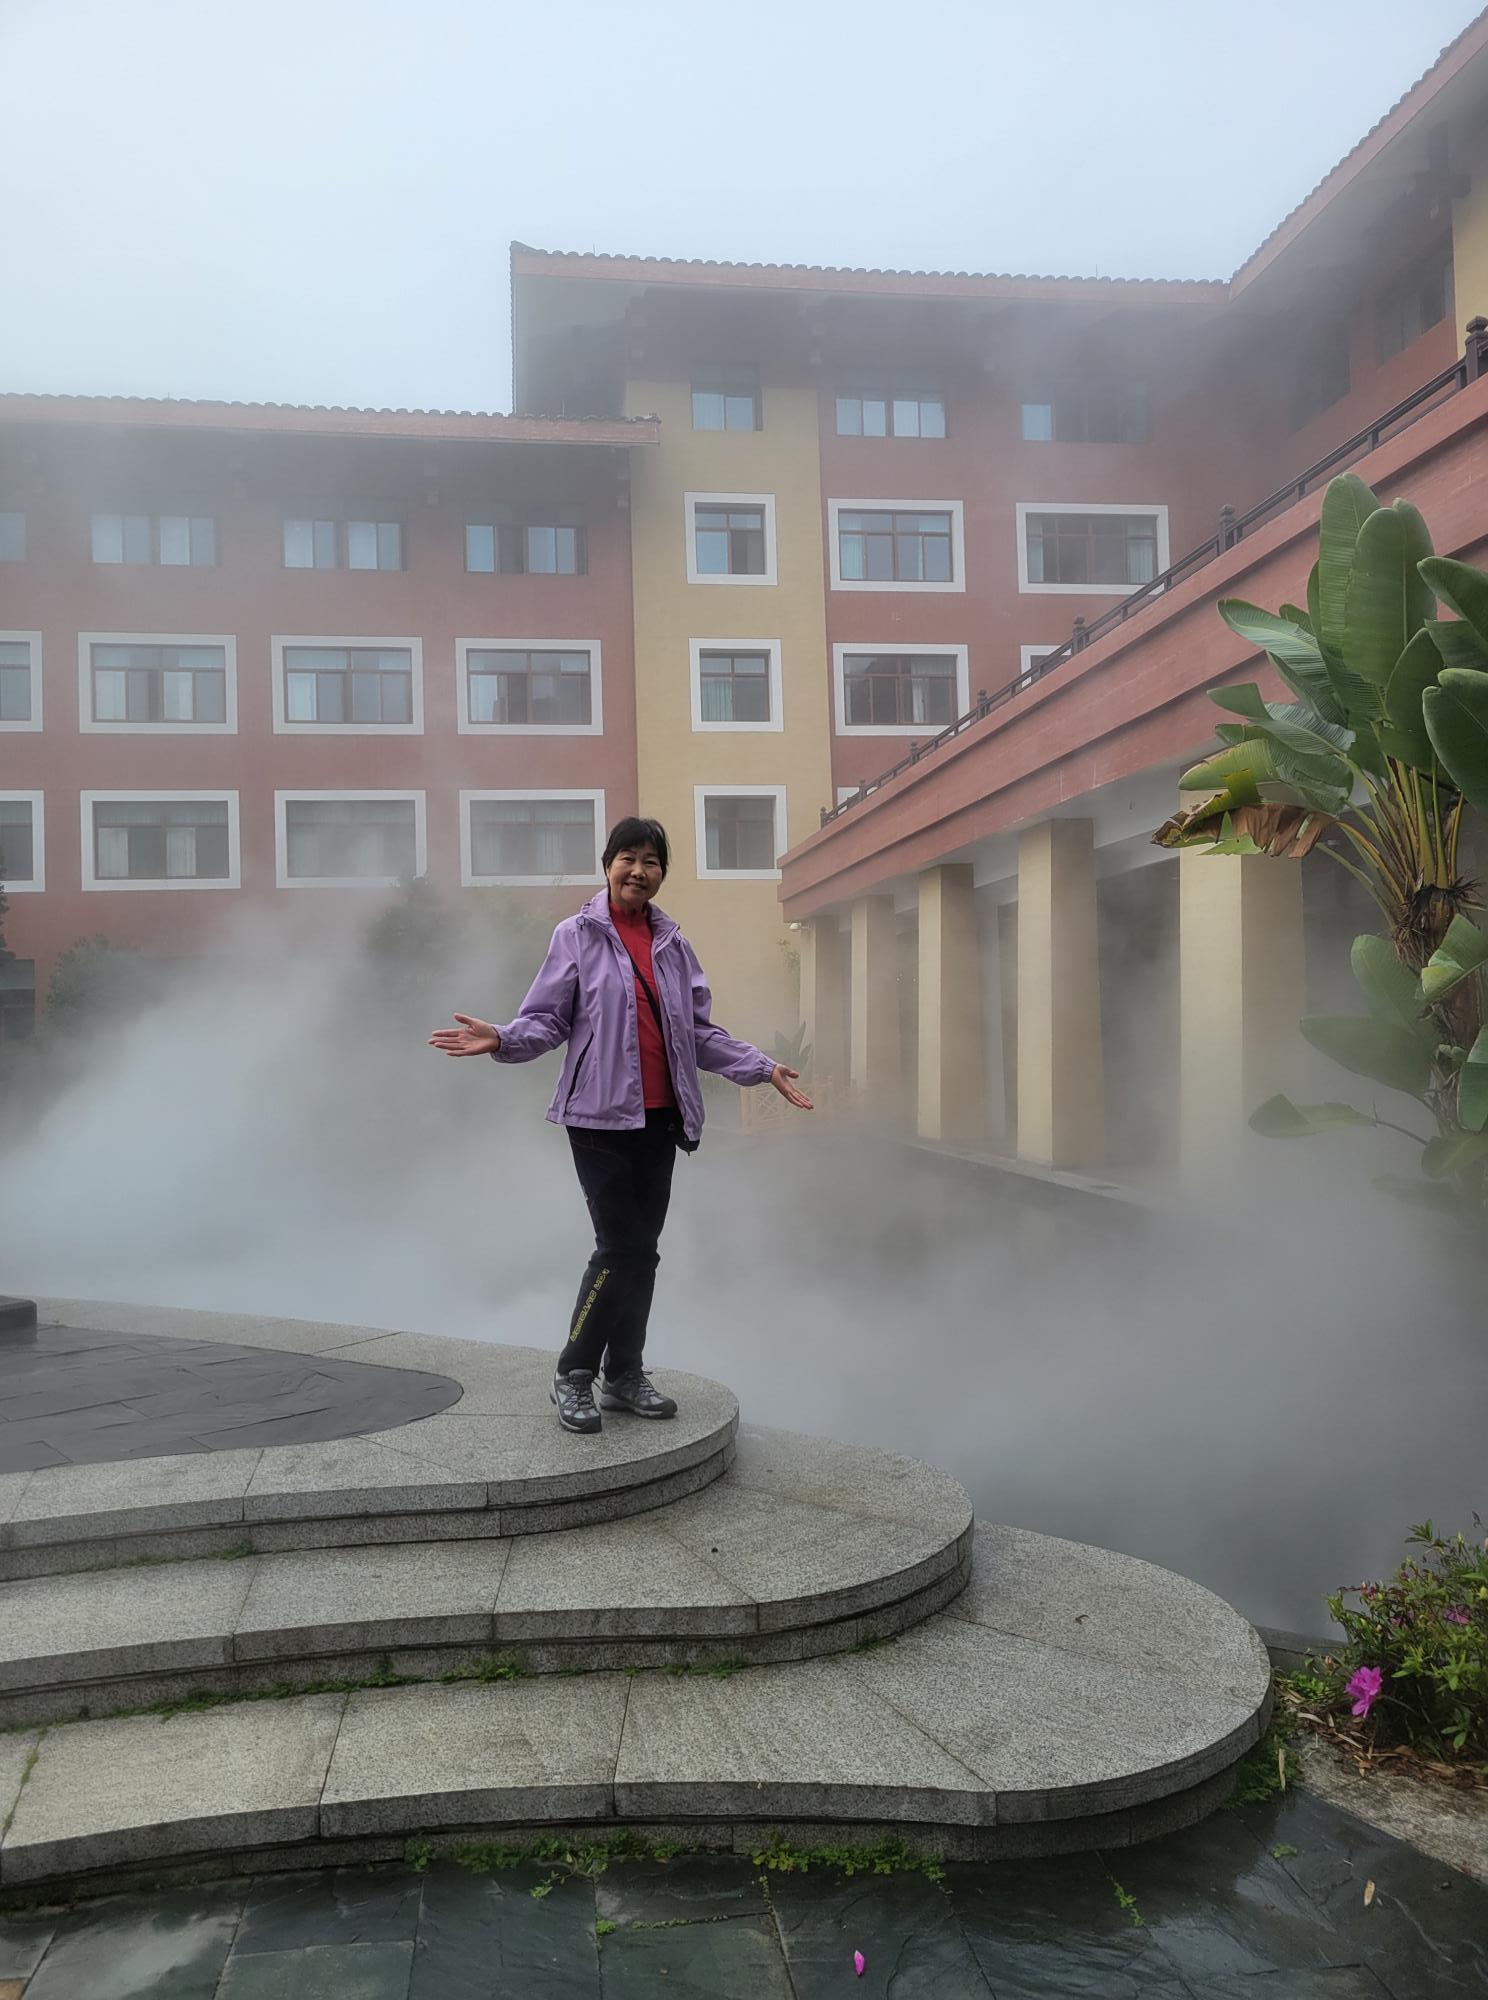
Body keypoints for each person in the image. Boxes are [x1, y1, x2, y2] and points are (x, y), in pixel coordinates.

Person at [428, 816, 812, 1434]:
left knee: (643, 1252)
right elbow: (548, 1019)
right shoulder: (576, 935)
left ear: (662, 874)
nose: (639, 871)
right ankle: (574, 1372)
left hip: (661, 1119)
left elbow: (699, 1033)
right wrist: (502, 1037)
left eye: (651, 862)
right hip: (598, 1119)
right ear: (608, 865)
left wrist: (762, 1068)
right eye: (628, 858)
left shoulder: (673, 944)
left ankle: (624, 1374)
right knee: (621, 1247)